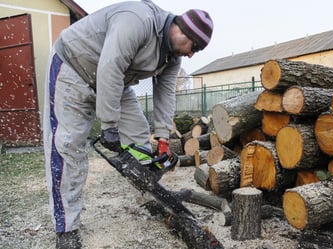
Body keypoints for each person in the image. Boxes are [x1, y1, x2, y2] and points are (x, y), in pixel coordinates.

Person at [43, 1, 213, 248]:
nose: (191, 54)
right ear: (181, 29)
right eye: (194, 46)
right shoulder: (137, 20)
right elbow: (110, 65)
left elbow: (165, 93)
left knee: (139, 136)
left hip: (115, 81)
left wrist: (164, 138)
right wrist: (109, 124)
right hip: (73, 68)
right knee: (68, 146)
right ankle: (66, 229)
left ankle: (149, 196)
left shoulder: (172, 57)